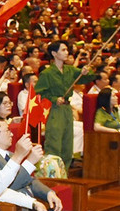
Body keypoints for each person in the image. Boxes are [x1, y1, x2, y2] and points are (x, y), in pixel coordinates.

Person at [35, 40, 94, 168]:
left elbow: (89, 77)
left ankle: (64, 172)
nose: (66, 52)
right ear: (54, 53)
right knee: (54, 143)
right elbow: (39, 93)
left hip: (67, 109)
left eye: (67, 50)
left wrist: (85, 71)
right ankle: (52, 174)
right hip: (55, 109)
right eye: (63, 50)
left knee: (68, 143)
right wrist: (54, 98)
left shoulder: (70, 70)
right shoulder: (47, 73)